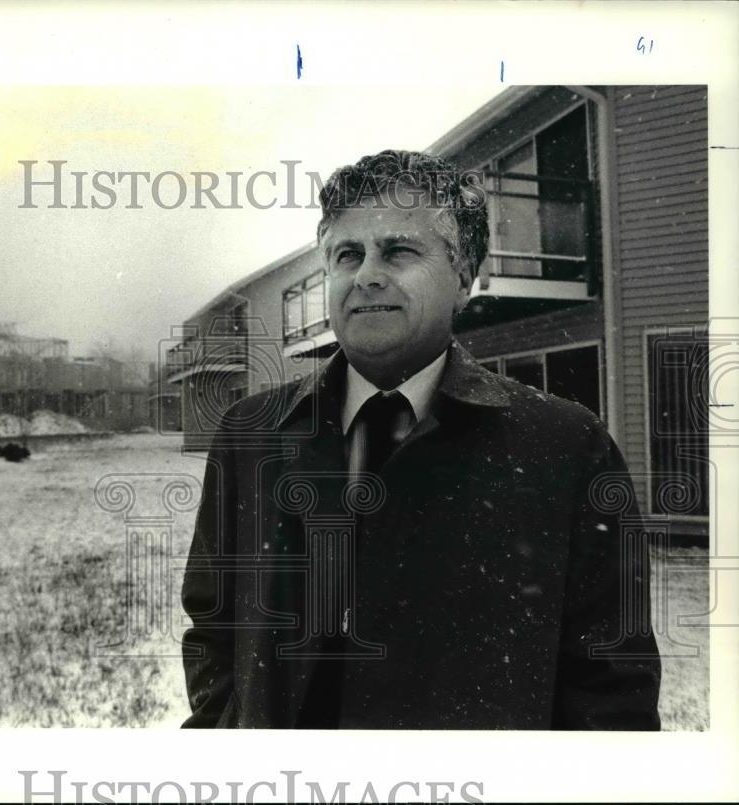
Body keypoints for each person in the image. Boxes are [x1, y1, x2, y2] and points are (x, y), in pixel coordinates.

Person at [180, 150, 661, 729]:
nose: (366, 275)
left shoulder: (567, 447)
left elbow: (610, 683)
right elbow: (212, 624)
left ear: (464, 275)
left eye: (399, 250)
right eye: (347, 255)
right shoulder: (250, 434)